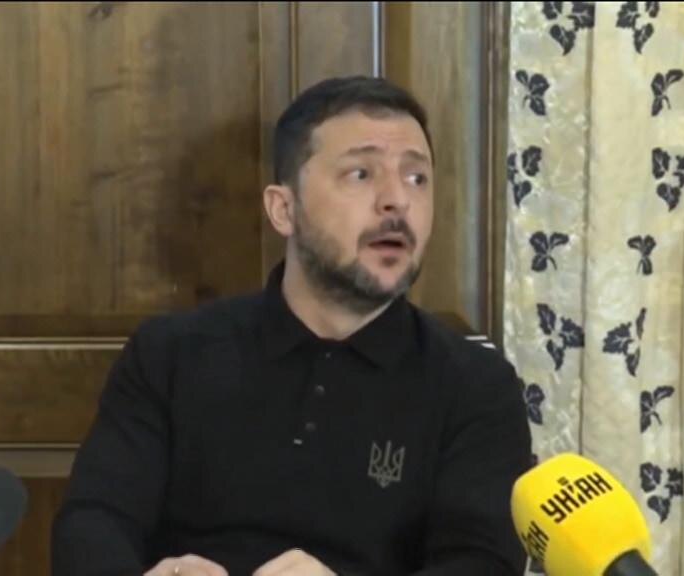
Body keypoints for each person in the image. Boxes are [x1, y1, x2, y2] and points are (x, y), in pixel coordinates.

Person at [52, 76, 532, 576]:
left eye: (416, 178)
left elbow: (483, 562)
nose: (396, 201)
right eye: (361, 174)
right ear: (284, 209)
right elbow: (92, 523)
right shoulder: (170, 354)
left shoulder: (477, 386)